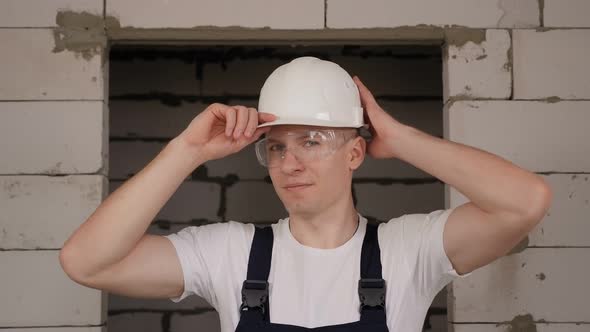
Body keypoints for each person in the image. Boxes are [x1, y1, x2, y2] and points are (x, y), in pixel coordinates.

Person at [59, 56, 552, 332]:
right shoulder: (230, 252)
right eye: (275, 147)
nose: (289, 163)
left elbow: (525, 201)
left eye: (311, 142)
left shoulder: (411, 250)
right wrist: (185, 150)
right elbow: (86, 262)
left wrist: (399, 139)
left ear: (355, 154)